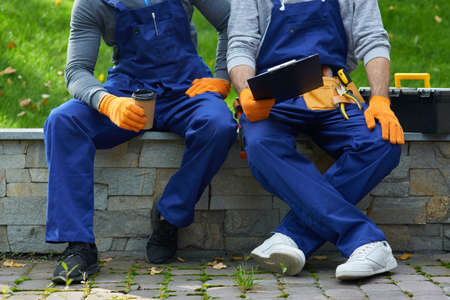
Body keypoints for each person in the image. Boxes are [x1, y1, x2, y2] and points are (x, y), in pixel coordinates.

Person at [45, 0, 237, 283]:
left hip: (188, 88)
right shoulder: (91, 4)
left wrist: (222, 77)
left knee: (219, 126)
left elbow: (232, 21)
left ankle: (170, 215)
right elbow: (76, 71)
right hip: (128, 94)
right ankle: (79, 246)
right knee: (63, 121)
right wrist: (107, 102)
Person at [227, 0, 404, 280]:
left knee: (383, 142)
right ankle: (365, 241)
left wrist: (380, 99)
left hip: (332, 93)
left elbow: (373, 39)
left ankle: (291, 237)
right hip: (271, 97)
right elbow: (240, 46)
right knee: (261, 145)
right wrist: (247, 90)